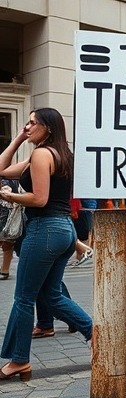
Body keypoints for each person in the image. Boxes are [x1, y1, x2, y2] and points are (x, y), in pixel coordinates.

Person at [0, 108, 93, 380]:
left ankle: (19, 361)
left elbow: (39, 199)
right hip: (64, 231)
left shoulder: (41, 155)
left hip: (44, 230)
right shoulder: (60, 155)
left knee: (24, 298)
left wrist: (10, 195)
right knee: (51, 296)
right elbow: (2, 168)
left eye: (32, 123)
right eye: (25, 123)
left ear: (48, 128)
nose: (27, 127)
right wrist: (18, 138)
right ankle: (95, 334)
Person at [0, 178, 19, 280]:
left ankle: (4, 270)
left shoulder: (6, 178)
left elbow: (7, 192)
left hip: (6, 212)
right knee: (6, 242)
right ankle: (4, 270)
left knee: (6, 242)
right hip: (6, 211)